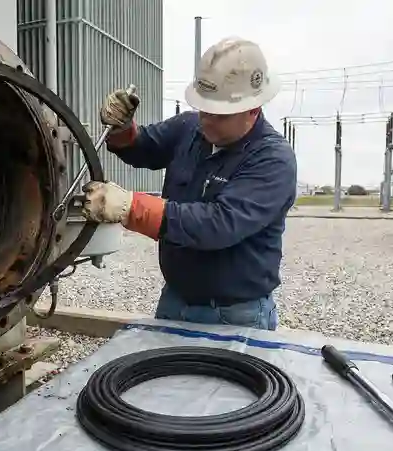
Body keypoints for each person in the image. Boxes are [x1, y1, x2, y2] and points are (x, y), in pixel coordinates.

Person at [81, 37, 297, 330]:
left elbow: (217, 225)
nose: (206, 119)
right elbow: (143, 145)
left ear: (252, 110)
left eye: (218, 113)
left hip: (237, 315)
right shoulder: (189, 128)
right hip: (174, 300)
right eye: (203, 108)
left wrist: (132, 207)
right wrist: (121, 129)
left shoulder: (273, 159)